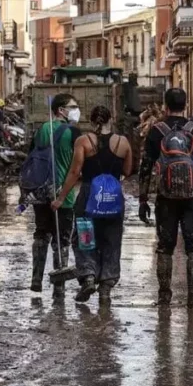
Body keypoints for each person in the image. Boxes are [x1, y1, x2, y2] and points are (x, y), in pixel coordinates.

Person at [138, 88, 193, 308]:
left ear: (165, 106)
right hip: (192, 197)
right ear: (186, 106)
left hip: (165, 198)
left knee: (165, 247)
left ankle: (164, 295)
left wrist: (143, 200)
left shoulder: (156, 131)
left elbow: (146, 167)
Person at [53, 105, 133, 304]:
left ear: (91, 121)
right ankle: (106, 287)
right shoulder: (123, 142)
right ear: (110, 119)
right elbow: (128, 170)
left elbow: (74, 172)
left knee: (84, 236)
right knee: (112, 240)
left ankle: (88, 276)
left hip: (89, 195)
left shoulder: (83, 141)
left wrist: (61, 197)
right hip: (113, 198)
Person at [30, 93, 82, 299]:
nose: (76, 109)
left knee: (41, 234)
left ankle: (36, 278)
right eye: (73, 106)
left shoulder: (41, 129)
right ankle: (58, 286)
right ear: (61, 110)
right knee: (62, 240)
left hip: (41, 191)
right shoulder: (73, 131)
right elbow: (78, 166)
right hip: (64, 194)